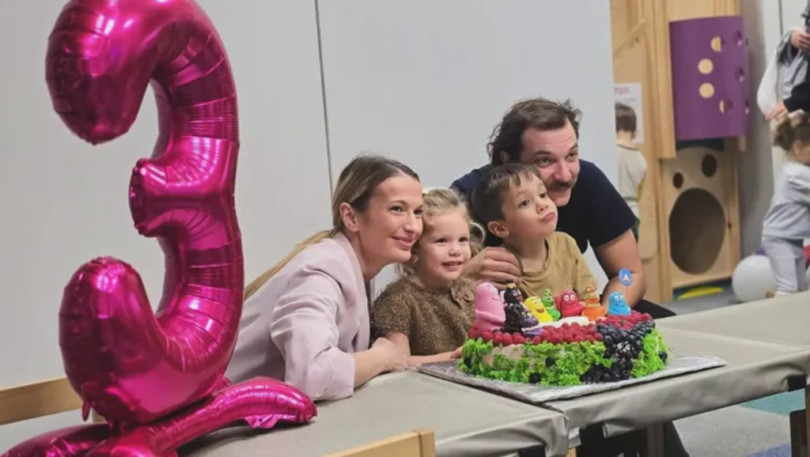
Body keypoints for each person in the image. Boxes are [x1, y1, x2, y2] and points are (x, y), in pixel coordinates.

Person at [225, 155, 424, 401]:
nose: (414, 227)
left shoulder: (352, 267)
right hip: (224, 421)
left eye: (418, 212)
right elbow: (312, 376)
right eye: (397, 209)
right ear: (351, 217)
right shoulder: (319, 273)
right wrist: (383, 356)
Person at [451, 97, 670, 316]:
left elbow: (629, 273)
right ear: (507, 160)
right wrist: (464, 274)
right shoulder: (464, 200)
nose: (565, 175)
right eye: (544, 161)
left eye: (571, 155)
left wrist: (602, 318)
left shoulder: (588, 180)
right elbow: (431, 296)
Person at [372, 188, 482, 365]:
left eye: (462, 240)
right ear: (415, 248)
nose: (455, 250)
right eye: (442, 241)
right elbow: (397, 362)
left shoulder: (475, 289)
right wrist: (454, 357)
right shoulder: (398, 300)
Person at [470, 163, 597, 300]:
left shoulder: (566, 244)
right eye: (525, 203)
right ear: (500, 228)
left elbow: (590, 299)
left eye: (542, 194)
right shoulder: (500, 268)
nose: (542, 205)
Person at [762, 111, 810, 296]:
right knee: (788, 288)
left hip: (794, 238)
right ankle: (777, 305)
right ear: (798, 148)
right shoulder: (795, 174)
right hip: (779, 238)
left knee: (800, 289)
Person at [615, 102, 647, 240]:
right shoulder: (641, 159)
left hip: (614, 212)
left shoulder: (611, 152)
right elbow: (640, 192)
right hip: (633, 213)